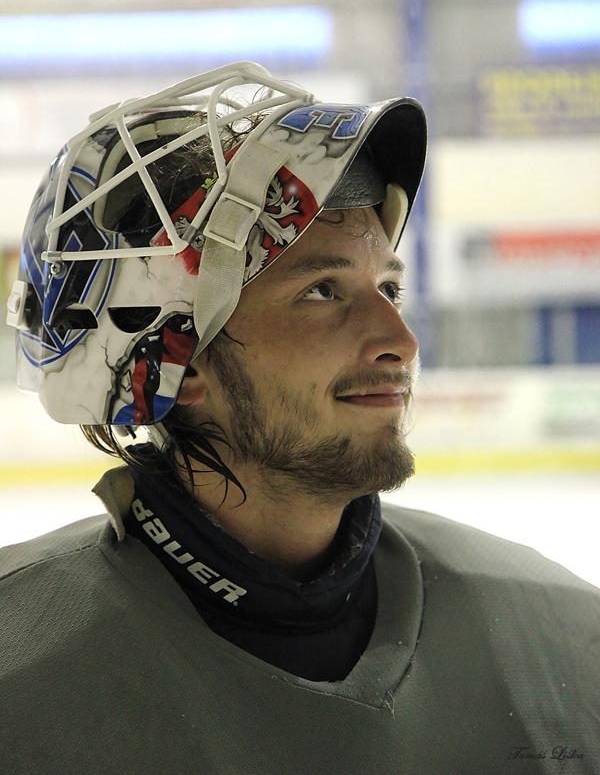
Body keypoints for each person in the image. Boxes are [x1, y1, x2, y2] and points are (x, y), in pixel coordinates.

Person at [2, 61, 599, 774]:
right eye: (323, 290)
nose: (400, 344)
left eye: (389, 288)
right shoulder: (23, 674)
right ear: (180, 359)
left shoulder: (562, 632)